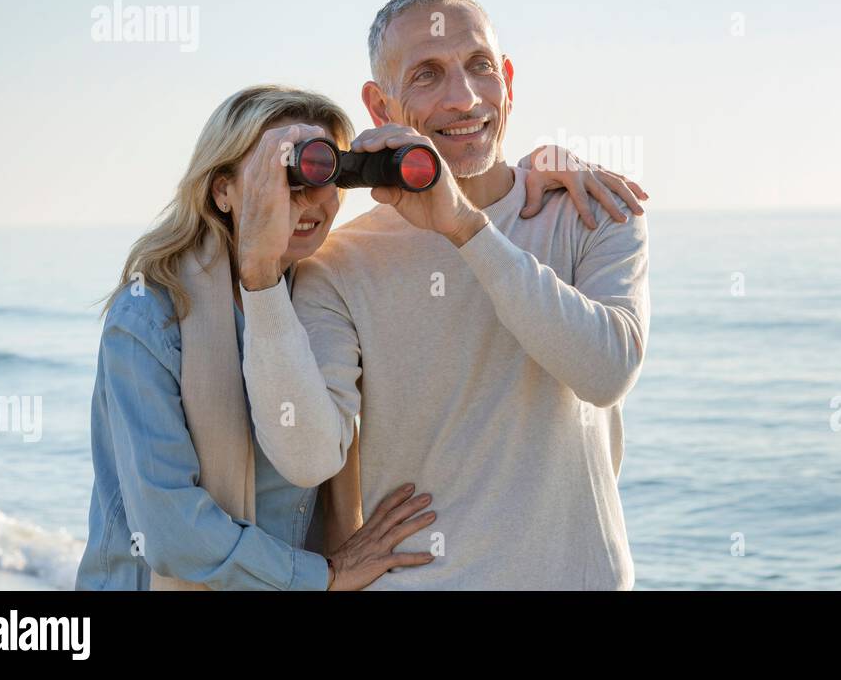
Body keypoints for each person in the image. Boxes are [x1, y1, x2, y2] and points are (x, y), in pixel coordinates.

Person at [75, 82, 645, 589]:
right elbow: (171, 527)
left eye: (320, 174)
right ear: (224, 191)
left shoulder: (320, 286)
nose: (306, 200)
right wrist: (324, 576)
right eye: (280, 178)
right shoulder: (149, 316)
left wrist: (535, 167)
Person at [238, 0, 650, 589]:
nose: (463, 98)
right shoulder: (340, 263)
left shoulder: (595, 209)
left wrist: (465, 228)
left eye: (479, 66)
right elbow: (309, 455)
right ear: (381, 106)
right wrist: (260, 281)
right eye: (428, 75)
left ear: (507, 79)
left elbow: (606, 371)